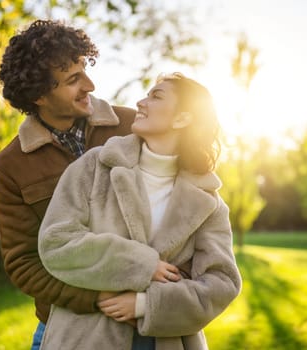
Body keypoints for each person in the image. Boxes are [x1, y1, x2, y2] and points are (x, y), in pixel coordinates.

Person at [38, 72, 242, 349]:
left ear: (183, 118)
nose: (140, 102)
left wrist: (147, 304)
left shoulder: (209, 201)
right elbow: (56, 242)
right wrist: (142, 266)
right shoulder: (94, 166)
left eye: (156, 96)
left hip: (169, 341)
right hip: (87, 338)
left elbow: (222, 283)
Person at [0, 19, 135, 349]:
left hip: (143, 316)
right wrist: (97, 298)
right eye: (73, 79)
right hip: (65, 325)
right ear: (40, 95)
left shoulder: (131, 126)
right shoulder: (11, 165)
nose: (90, 84)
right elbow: (23, 261)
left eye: (85, 68)